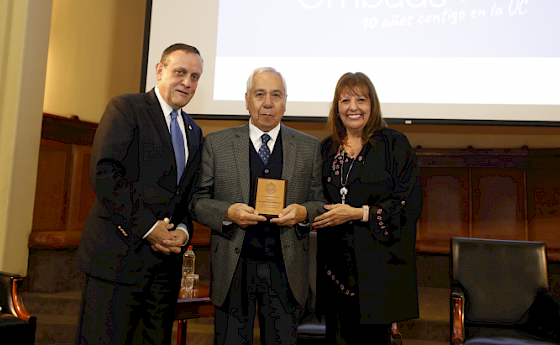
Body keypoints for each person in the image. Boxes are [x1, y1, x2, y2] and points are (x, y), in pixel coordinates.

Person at [75, 43, 204, 345]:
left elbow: (185, 194)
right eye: (180, 72)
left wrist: (183, 231)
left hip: (164, 272)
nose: (187, 82)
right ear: (160, 71)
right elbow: (105, 173)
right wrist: (150, 228)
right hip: (117, 261)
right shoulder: (126, 108)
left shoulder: (194, 131)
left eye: (195, 77)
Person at [190, 67, 325, 345]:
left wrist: (303, 213)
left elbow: (320, 202)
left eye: (276, 95)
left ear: (285, 101)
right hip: (233, 266)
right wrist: (227, 213)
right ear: (247, 99)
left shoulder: (309, 147)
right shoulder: (217, 144)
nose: (268, 103)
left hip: (286, 269)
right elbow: (197, 201)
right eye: (260, 94)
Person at [312, 72, 423, 345]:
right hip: (335, 267)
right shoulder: (327, 148)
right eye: (345, 99)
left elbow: (408, 201)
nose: (353, 107)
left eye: (361, 99)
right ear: (336, 107)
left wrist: (359, 212)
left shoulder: (394, 144)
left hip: (379, 270)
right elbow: (315, 197)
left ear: (372, 105)